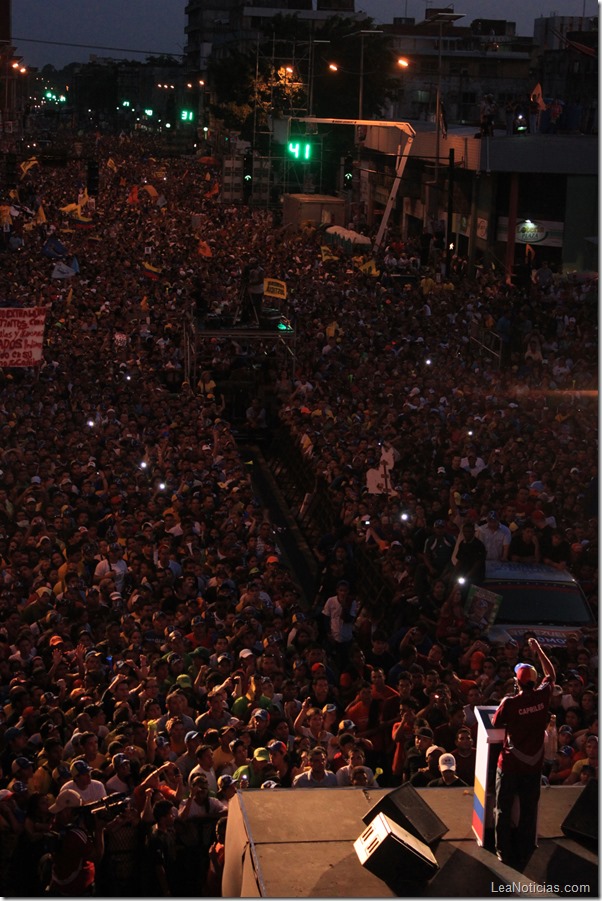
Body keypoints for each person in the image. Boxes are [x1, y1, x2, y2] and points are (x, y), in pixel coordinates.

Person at [492, 637, 555, 868]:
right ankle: (527, 848)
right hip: (533, 767)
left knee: (502, 809)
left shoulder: (509, 703)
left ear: (516, 682)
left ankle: (502, 851)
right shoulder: (543, 696)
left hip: (509, 766)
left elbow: (497, 722)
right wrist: (538, 650)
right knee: (529, 810)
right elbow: (552, 675)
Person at [46, 789, 107, 896]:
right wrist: (99, 830)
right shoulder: (76, 835)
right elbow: (96, 857)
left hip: (60, 885)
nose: (57, 816)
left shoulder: (55, 826)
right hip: (77, 889)